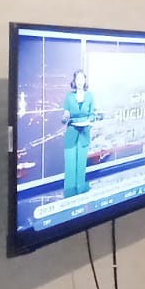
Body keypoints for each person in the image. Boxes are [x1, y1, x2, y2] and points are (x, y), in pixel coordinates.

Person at [61, 69, 96, 197]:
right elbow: (65, 114)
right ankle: (69, 196)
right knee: (70, 166)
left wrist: (90, 120)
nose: (80, 81)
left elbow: (93, 114)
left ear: (85, 80)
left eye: (82, 79)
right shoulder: (69, 97)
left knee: (81, 166)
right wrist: (65, 117)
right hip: (71, 133)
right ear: (74, 81)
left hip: (84, 133)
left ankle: (80, 195)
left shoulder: (90, 96)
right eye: (78, 79)